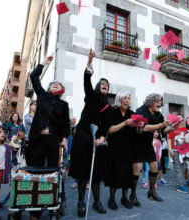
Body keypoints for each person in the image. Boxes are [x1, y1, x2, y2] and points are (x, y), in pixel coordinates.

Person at [25, 55, 70, 219]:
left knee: (52, 173)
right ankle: (34, 210)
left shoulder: (64, 105)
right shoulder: (42, 96)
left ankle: (51, 204)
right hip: (38, 141)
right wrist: (43, 63)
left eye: (58, 84)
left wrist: (65, 138)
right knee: (35, 172)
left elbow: (66, 123)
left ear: (61, 89)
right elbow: (33, 77)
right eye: (53, 84)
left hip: (53, 141)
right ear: (49, 88)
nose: (55, 84)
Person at [69, 49, 110, 217]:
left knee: (96, 173)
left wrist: (102, 138)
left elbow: (106, 125)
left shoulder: (107, 105)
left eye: (107, 85)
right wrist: (89, 65)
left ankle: (96, 201)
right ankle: (80, 202)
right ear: (98, 87)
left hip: (97, 141)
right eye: (102, 84)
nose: (104, 85)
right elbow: (86, 81)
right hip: (83, 137)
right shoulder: (91, 96)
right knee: (83, 172)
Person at [130, 94, 174, 206]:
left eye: (161, 102)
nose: (160, 104)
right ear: (150, 102)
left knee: (154, 166)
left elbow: (164, 131)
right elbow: (143, 128)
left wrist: (172, 127)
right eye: (157, 101)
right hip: (136, 143)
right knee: (137, 169)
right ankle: (133, 195)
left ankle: (152, 191)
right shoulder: (141, 110)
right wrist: (160, 125)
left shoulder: (159, 115)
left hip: (147, 144)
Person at [104, 93, 141, 210]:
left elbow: (138, 133)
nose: (127, 100)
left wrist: (140, 126)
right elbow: (110, 130)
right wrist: (124, 123)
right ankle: (111, 199)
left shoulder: (132, 114)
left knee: (127, 174)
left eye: (129, 98)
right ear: (120, 99)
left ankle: (124, 198)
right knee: (114, 173)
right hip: (114, 147)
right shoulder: (112, 112)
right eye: (125, 98)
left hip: (128, 147)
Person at [169, 115, 189, 193]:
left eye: (181, 118)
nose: (179, 120)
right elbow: (169, 139)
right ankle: (180, 185)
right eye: (178, 118)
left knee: (184, 167)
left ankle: (181, 183)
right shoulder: (173, 129)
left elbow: (187, 141)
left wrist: (185, 140)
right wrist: (170, 150)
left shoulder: (185, 129)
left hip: (183, 150)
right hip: (175, 150)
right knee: (177, 167)